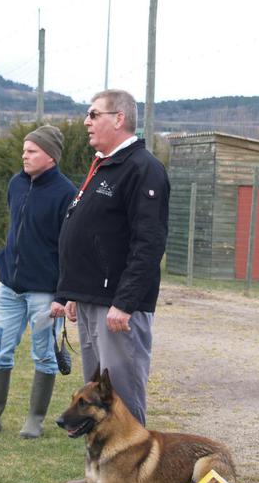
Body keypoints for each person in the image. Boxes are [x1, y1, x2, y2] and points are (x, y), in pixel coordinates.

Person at [50, 89, 170, 426]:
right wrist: (74, 292)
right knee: (96, 398)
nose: (86, 122)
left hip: (116, 307)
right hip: (92, 300)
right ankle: (102, 462)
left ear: (119, 119)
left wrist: (125, 302)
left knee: (120, 400)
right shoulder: (104, 167)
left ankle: (129, 463)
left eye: (93, 114)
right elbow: (93, 233)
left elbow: (149, 242)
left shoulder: (142, 169)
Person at [0, 125, 76, 439]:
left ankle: (34, 420)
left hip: (45, 292)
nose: (25, 155)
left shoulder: (67, 193)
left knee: (45, 355)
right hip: (9, 288)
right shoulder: (16, 183)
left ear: (50, 156)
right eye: (24, 150)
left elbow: (71, 249)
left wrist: (62, 296)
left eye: (32, 151)